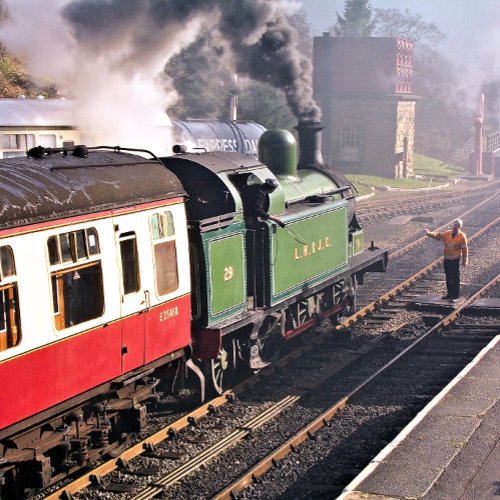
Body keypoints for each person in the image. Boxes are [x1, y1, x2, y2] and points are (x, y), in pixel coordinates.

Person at [424, 219, 468, 301]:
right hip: (447, 258)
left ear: (460, 227)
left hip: (455, 259)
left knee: (455, 277)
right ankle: (449, 294)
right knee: (448, 276)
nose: (455, 226)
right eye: (455, 225)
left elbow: (464, 249)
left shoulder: (462, 236)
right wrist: (429, 233)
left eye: (457, 225)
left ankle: (455, 296)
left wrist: (465, 260)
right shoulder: (447, 233)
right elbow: (438, 235)